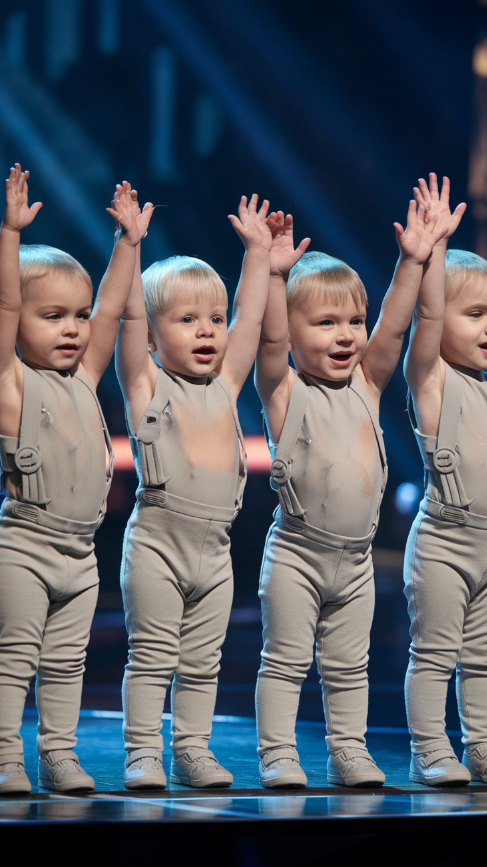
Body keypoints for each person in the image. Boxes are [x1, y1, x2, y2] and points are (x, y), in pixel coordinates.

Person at [254, 197, 449, 788]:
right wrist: (273, 275)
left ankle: (349, 751)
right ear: (292, 334)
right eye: (325, 323)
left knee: (348, 668)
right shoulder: (284, 391)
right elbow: (265, 343)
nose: (346, 336)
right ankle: (278, 754)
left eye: (352, 323)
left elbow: (393, 326)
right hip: (297, 555)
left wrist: (412, 263)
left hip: (356, 562)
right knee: (285, 663)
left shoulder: (367, 385)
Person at [0, 164, 152, 794]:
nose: (72, 328)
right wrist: (10, 233)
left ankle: (58, 756)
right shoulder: (10, 382)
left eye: (77, 315)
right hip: (25, 548)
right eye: (53, 315)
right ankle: (6, 758)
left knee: (66, 664)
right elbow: (7, 301)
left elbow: (114, 309)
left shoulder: (86, 376)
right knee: (13, 662)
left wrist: (128, 244)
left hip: (82, 554)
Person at [116, 194, 272, 790]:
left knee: (203, 663)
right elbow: (127, 319)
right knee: (153, 657)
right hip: (157, 541)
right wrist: (129, 245)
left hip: (216, 549)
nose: (207, 329)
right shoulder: (145, 383)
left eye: (212, 317)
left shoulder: (227, 384)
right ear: (153, 339)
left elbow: (252, 321)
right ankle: (142, 754)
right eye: (186, 320)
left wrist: (258, 254)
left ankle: (191, 749)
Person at [403, 174, 487, 787]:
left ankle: (480, 744)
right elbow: (427, 318)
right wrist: (430, 254)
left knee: (483, 658)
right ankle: (429, 748)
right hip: (445, 542)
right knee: (435, 653)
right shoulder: (432, 379)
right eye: (477, 313)